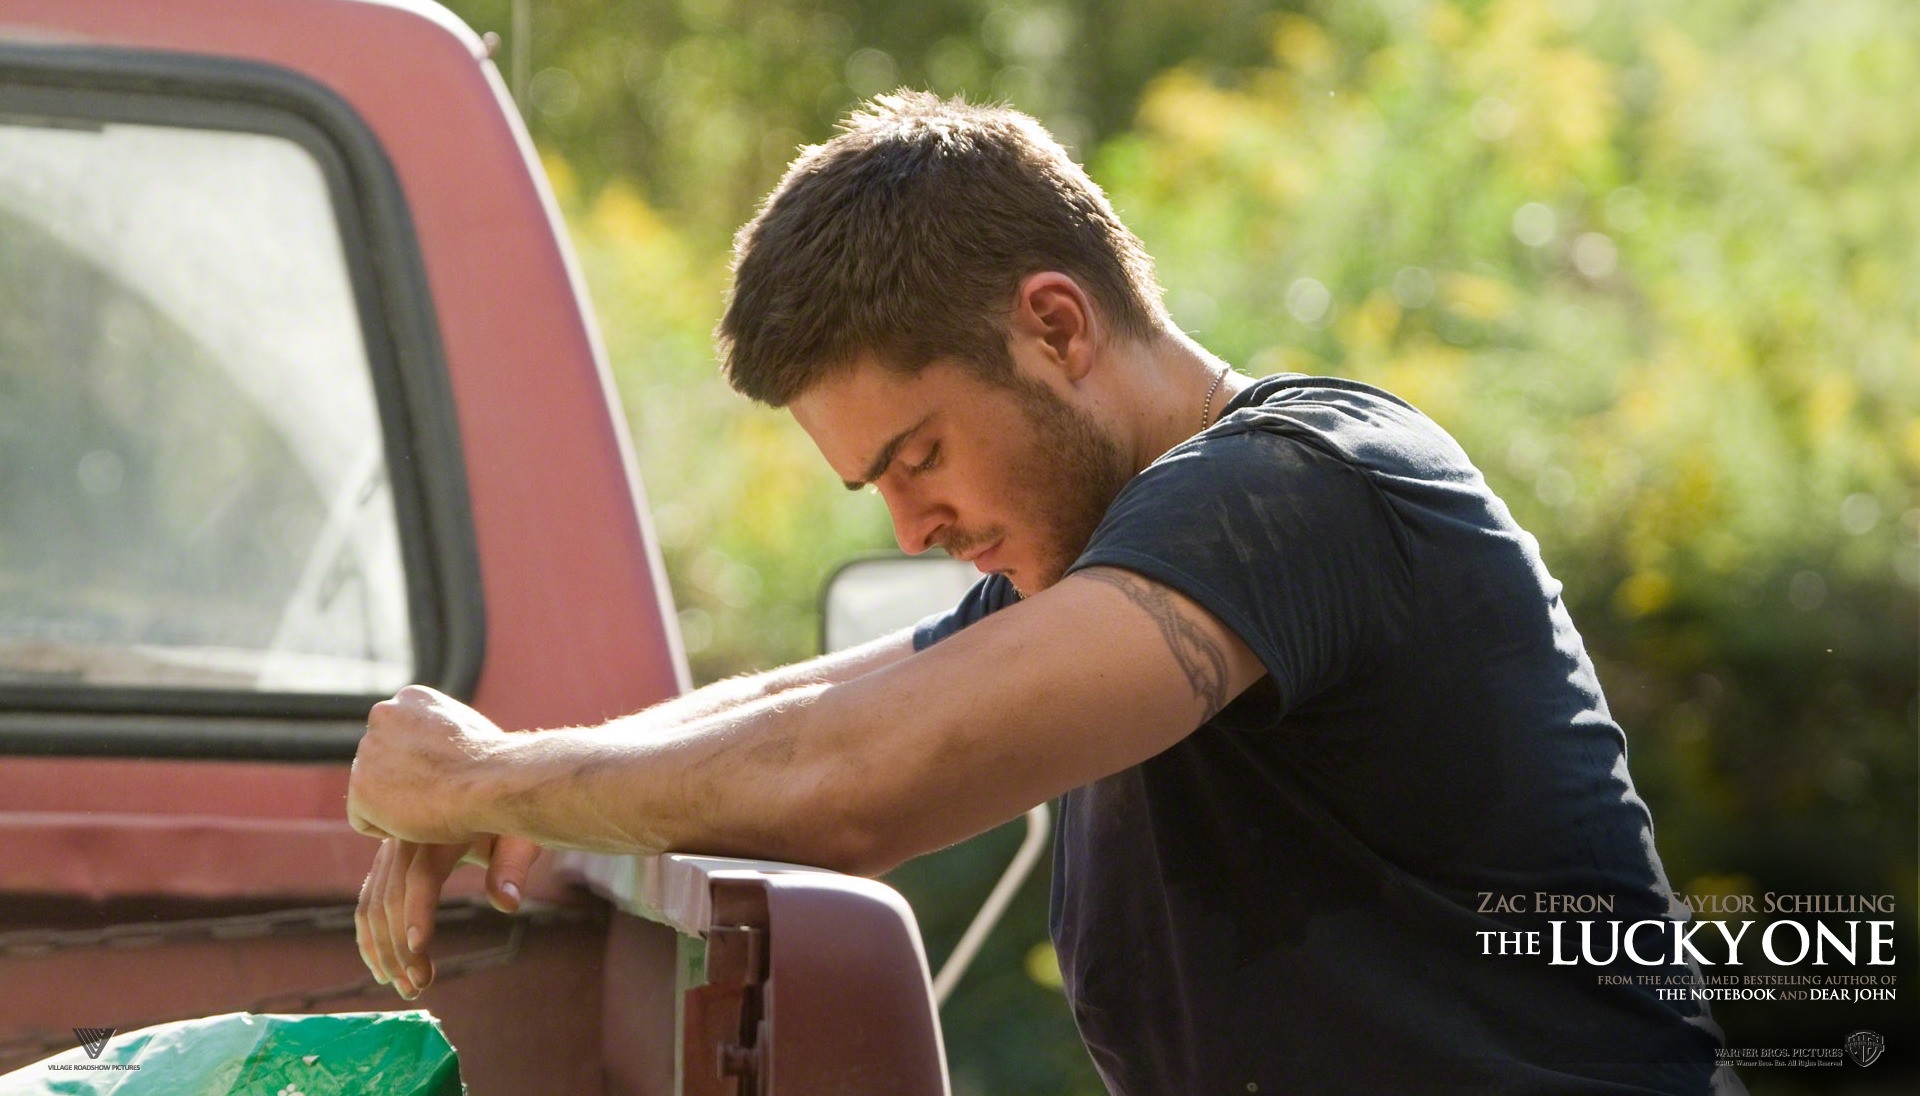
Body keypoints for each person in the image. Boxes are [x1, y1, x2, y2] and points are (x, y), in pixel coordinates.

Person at [349, 91, 1741, 1094]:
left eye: (921, 455)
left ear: (1057, 327)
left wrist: (483, 784)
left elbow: (855, 779)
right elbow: (831, 695)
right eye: (875, 491)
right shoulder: (1114, 551)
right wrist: (507, 785)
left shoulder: (1305, 489)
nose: (915, 521)